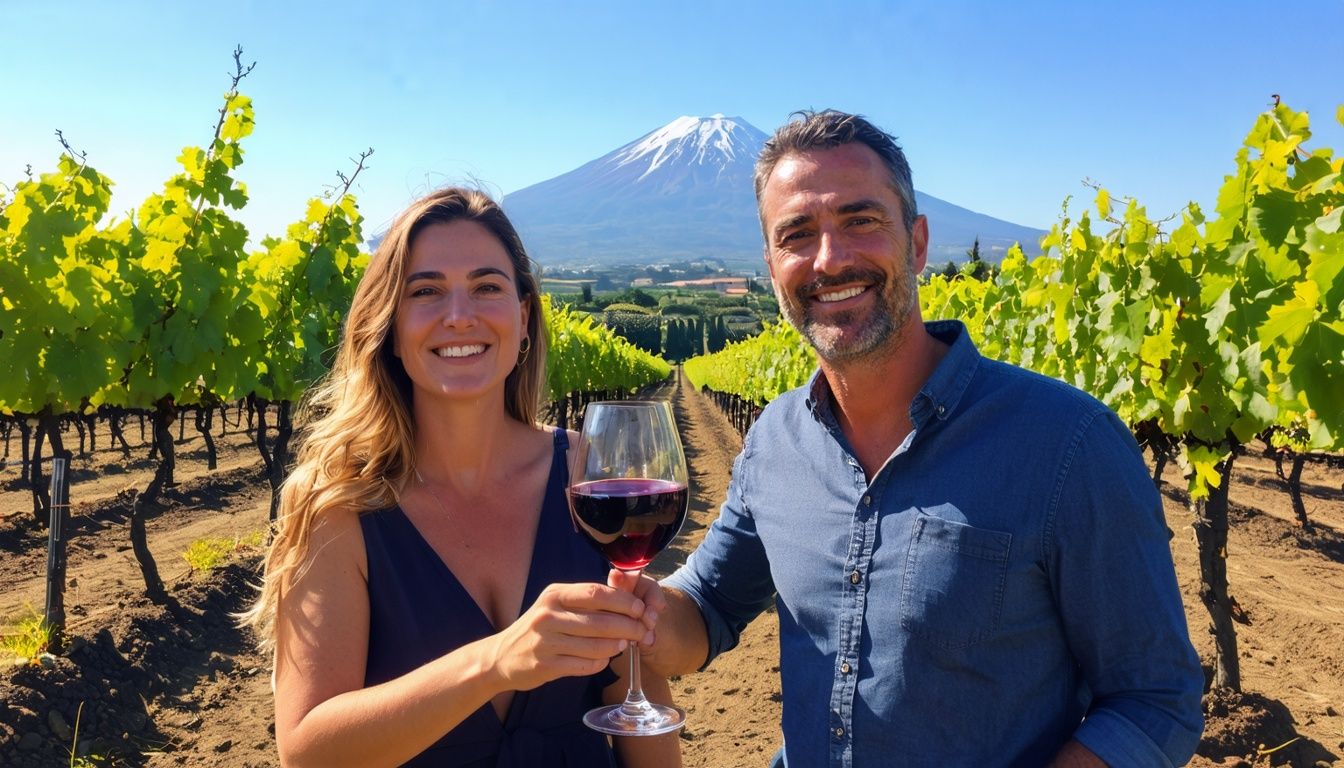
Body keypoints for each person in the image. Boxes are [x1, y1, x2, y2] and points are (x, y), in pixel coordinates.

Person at [649, 111, 1205, 767]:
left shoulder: (1068, 444)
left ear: (916, 243)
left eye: (861, 220)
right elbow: (707, 605)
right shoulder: (775, 441)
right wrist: (624, 609)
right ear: (772, 267)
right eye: (797, 235)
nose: (830, 259)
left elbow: (1154, 700)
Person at [241, 187, 681, 768]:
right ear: (390, 327)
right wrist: (495, 662)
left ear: (524, 318)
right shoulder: (338, 504)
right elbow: (309, 751)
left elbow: (634, 700)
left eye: (486, 287)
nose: (459, 316)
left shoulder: (584, 476)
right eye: (425, 291)